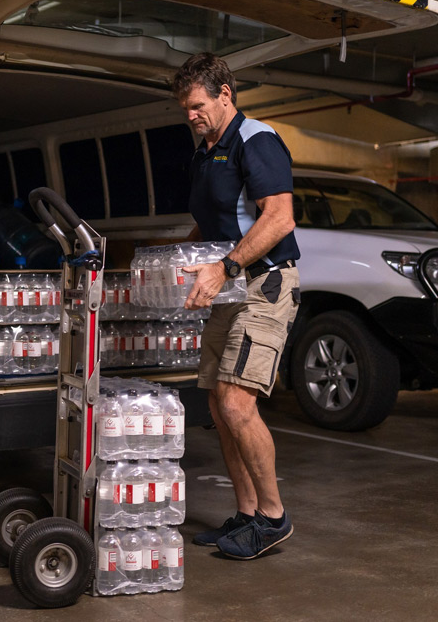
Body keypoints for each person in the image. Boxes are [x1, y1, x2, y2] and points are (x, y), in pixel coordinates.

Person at [173, 53, 301, 560]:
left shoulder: (257, 140)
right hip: (228, 285)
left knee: (235, 402)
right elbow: (213, 224)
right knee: (217, 407)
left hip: (263, 283)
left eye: (198, 105)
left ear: (225, 93)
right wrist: (180, 260)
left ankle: (273, 517)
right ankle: (246, 514)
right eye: (185, 107)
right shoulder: (206, 151)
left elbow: (279, 220)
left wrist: (223, 268)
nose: (191, 114)